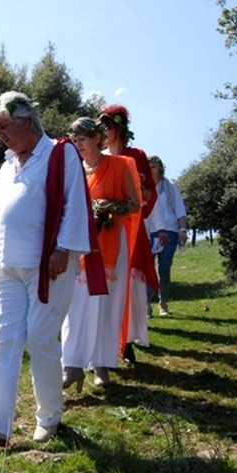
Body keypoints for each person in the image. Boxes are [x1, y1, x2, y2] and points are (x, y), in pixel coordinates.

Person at [0, 91, 93, 444]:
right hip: (7, 266)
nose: (0, 133)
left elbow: (75, 203)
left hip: (49, 265)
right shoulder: (5, 166)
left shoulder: (61, 153)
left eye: (4, 126)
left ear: (26, 122)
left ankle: (49, 418)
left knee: (40, 338)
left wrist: (63, 248)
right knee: (5, 339)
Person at [61, 118, 141, 389]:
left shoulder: (119, 165)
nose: (78, 144)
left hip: (110, 249)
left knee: (105, 307)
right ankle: (71, 365)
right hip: (79, 247)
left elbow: (134, 204)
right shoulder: (72, 170)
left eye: (82, 138)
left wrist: (110, 207)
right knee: (74, 305)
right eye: (74, 140)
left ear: (97, 138)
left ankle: (101, 366)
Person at [98, 104, 158, 363]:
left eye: (108, 125)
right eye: (101, 125)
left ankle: (126, 340)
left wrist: (137, 191)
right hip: (102, 230)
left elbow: (148, 194)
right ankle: (102, 340)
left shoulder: (136, 155)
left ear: (119, 128)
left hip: (129, 228)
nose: (104, 130)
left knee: (129, 283)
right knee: (104, 283)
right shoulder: (97, 157)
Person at [146, 155, 188, 316]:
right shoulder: (144, 187)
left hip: (169, 230)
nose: (151, 170)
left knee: (164, 267)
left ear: (160, 169)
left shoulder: (169, 188)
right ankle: (146, 304)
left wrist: (182, 230)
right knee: (148, 267)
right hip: (149, 231)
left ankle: (163, 303)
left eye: (154, 167)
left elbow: (180, 210)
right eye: (148, 167)